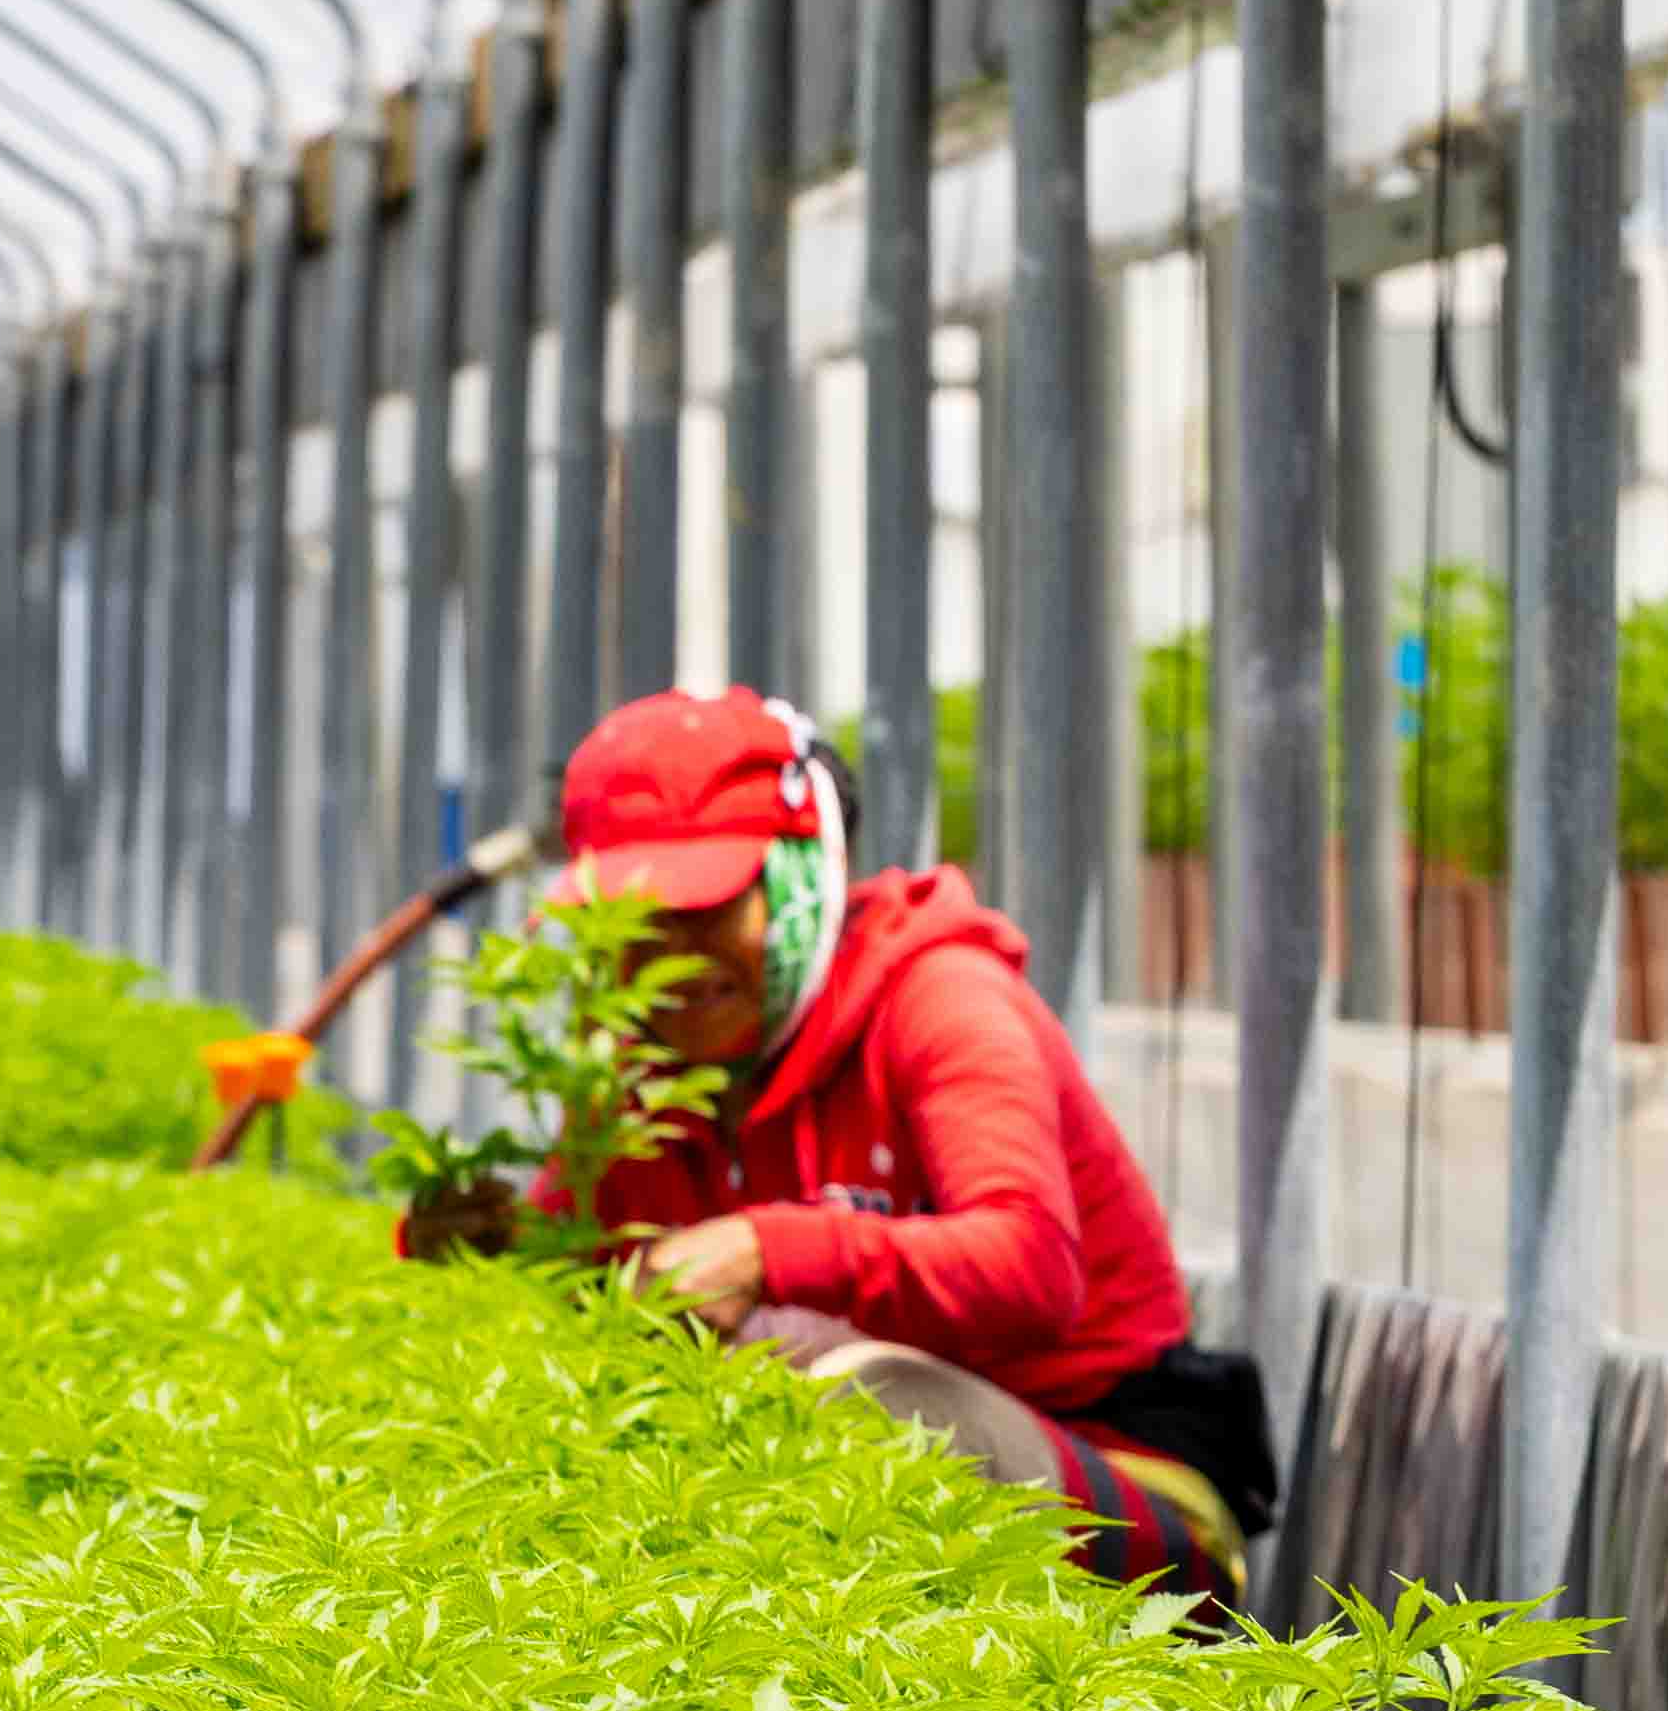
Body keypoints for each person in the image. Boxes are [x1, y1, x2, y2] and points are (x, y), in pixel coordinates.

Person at [465, 684, 1277, 1608]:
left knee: (853, 1398)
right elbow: (566, 1309)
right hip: (887, 1502)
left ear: (807, 874)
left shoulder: (941, 998)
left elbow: (1032, 1265)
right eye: (635, 928)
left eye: (709, 911)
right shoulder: (636, 1074)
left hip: (1129, 1496)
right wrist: (475, 1250)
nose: (672, 963)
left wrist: (770, 1249)